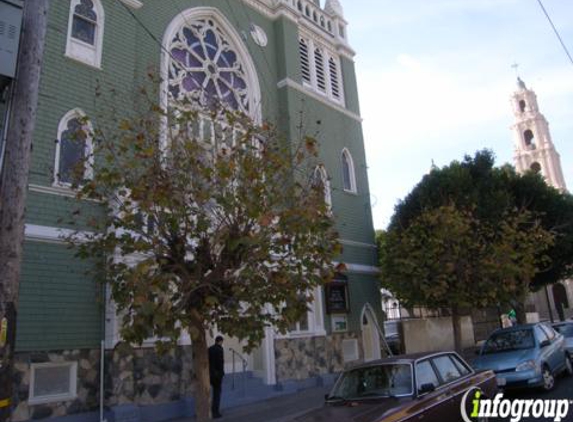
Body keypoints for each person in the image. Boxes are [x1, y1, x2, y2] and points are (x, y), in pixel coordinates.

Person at [208, 335, 225, 419]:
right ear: (220, 341)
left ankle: (209, 411)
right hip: (217, 375)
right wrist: (221, 373)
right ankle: (215, 412)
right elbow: (220, 363)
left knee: (209, 394)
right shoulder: (220, 349)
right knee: (217, 394)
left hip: (210, 374)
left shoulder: (210, 349)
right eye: (222, 341)